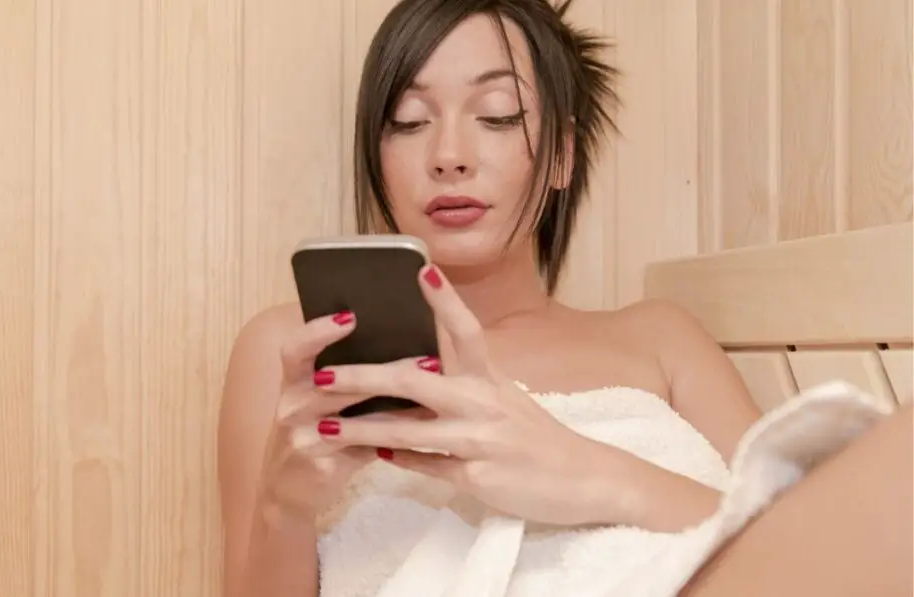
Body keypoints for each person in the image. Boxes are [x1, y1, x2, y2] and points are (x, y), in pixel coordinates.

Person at [218, 0, 913, 595]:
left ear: (561, 157)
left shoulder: (659, 337)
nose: (449, 153)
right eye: (408, 120)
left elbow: (795, 541)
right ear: (377, 159)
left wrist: (592, 476)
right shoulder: (297, 345)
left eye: (496, 114)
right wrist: (284, 504)